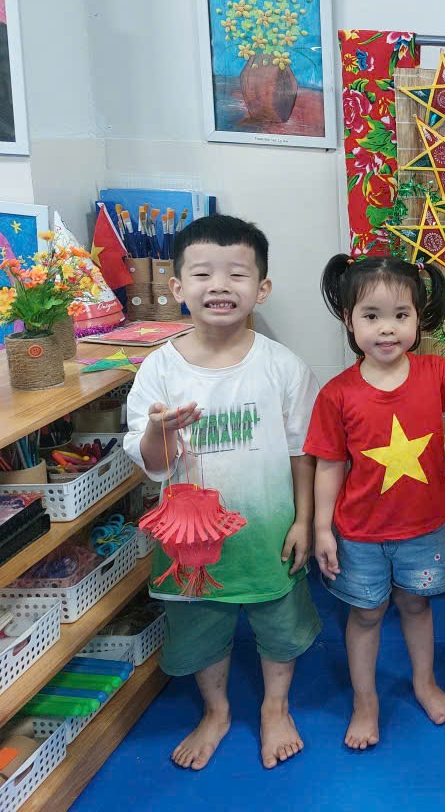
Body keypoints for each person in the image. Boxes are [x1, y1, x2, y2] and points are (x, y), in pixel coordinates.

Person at [124, 214, 320, 771]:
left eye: (237, 274)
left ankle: (275, 706)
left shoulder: (283, 366)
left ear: (262, 288)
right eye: (203, 273)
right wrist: (160, 431)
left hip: (268, 532)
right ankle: (216, 711)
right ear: (176, 287)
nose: (219, 286)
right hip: (190, 546)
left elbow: (302, 452)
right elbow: (153, 465)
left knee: (279, 622)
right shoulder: (159, 370)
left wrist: (304, 521)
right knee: (200, 626)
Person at [306, 254, 445, 749]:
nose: (387, 328)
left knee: (416, 606)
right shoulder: (336, 394)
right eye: (371, 315)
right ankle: (365, 702)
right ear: (349, 320)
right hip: (359, 534)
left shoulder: (436, 372)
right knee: (366, 615)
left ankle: (425, 683)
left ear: (418, 318)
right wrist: (322, 528)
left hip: (423, 527)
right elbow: (328, 465)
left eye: (401, 314)